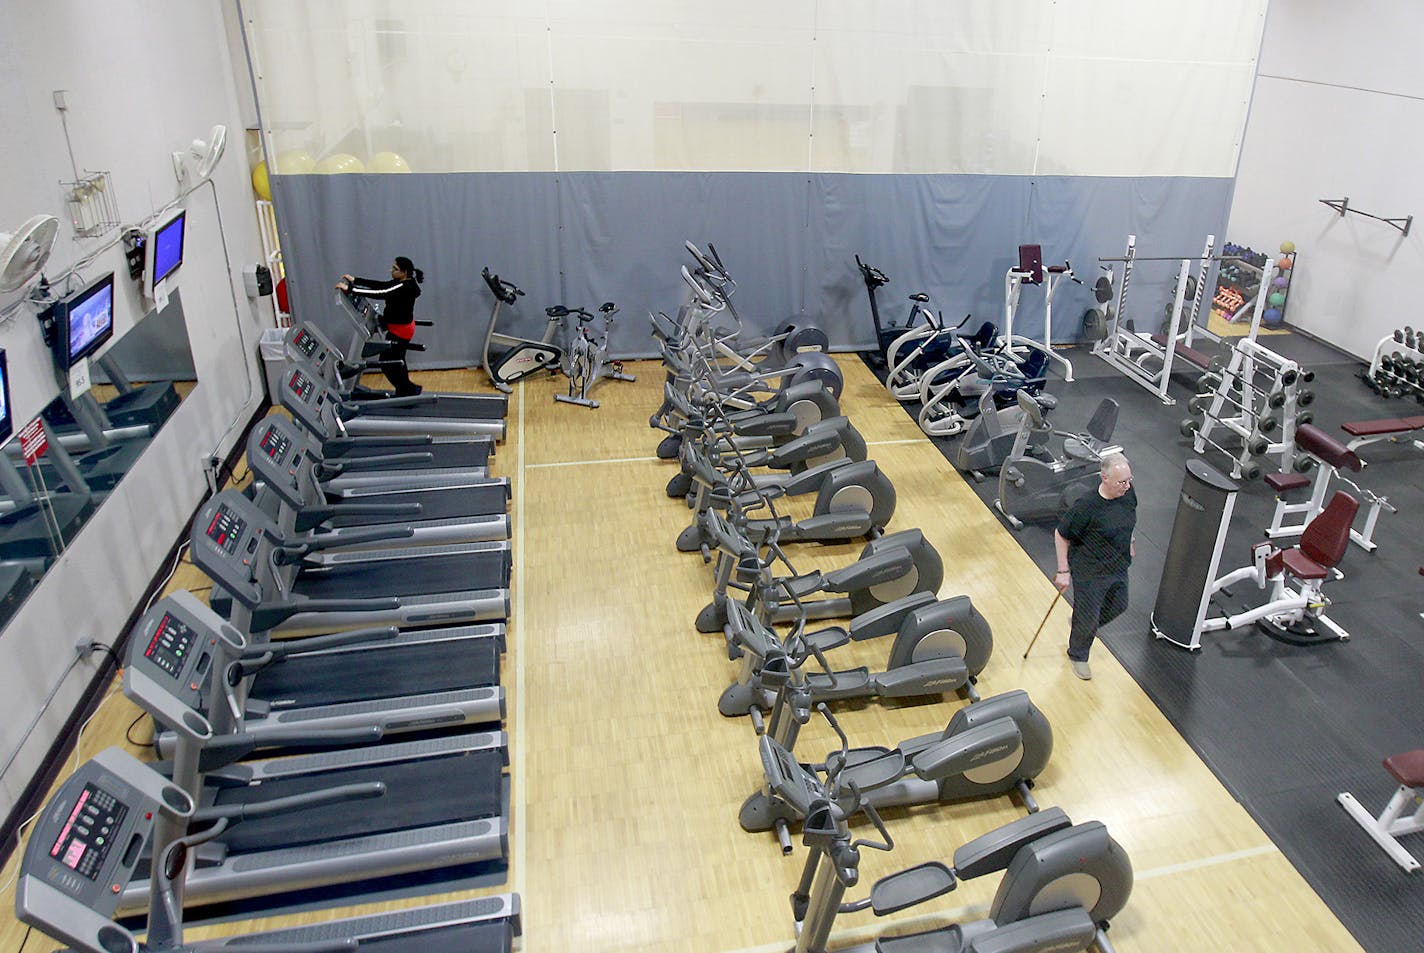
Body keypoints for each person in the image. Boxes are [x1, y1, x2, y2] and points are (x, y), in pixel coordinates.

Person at [1052, 452, 1136, 681]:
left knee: (1120, 605)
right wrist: (1063, 571)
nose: (1127, 486)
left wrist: (1130, 542)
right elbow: (1061, 535)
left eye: (1129, 480)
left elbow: (1130, 518)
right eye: (1121, 481)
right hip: (1090, 571)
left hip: (1118, 564)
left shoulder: (1128, 494)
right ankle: (1078, 655)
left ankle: (1082, 622)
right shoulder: (1087, 507)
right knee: (1088, 618)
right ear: (1104, 478)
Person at [336, 256, 425, 397]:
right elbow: (381, 285)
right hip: (401, 327)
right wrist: (356, 281)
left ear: (404, 272)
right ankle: (408, 389)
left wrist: (350, 289)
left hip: (400, 330)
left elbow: (380, 293)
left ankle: (407, 392)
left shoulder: (403, 286)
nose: (391, 270)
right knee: (396, 362)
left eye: (395, 269)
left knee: (389, 363)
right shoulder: (403, 282)